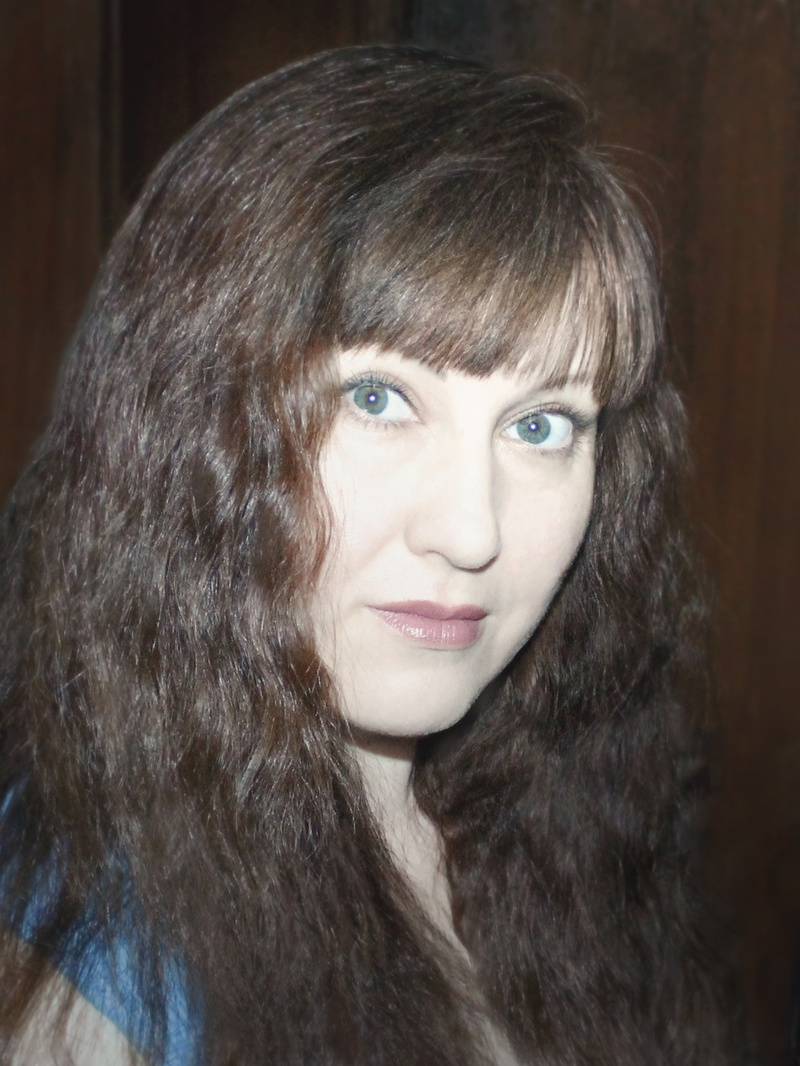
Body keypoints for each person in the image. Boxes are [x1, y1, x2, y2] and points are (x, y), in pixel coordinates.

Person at [0, 44, 736, 1066]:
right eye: (377, 398)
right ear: (187, 430)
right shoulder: (85, 982)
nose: (471, 531)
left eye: (541, 426)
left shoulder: (561, 837)